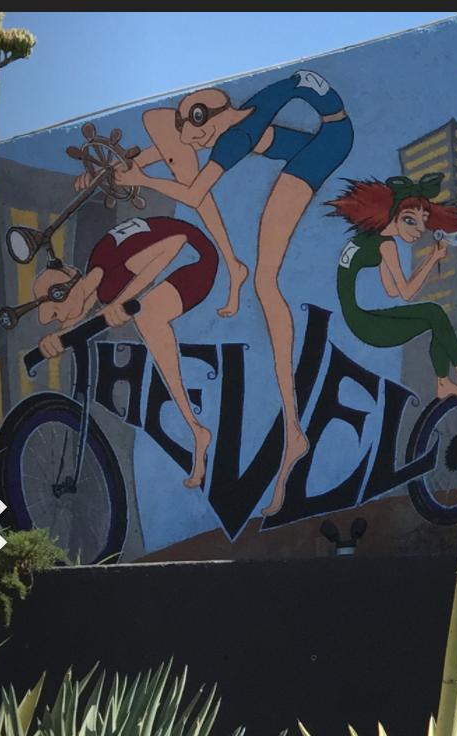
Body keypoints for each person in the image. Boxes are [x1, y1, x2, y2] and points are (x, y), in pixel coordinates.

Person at [114, 68, 354, 517]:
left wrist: (142, 181)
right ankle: (296, 431)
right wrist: (139, 163)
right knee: (260, 152)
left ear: (211, 121)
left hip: (328, 144)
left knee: (266, 281)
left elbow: (192, 192)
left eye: (198, 139)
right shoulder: (247, 115)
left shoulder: (234, 139)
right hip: (310, 133)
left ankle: (294, 431)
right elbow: (182, 148)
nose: (197, 148)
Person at [33, 215, 218, 488]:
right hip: (175, 264)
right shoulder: (98, 282)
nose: (58, 318)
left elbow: (176, 243)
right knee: (147, 316)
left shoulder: (111, 265)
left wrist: (120, 303)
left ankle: (196, 429)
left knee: (148, 316)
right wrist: (57, 338)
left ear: (68, 286)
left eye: (57, 307)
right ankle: (196, 429)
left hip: (194, 259)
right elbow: (81, 316)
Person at [324, 173, 457, 402]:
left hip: (360, 319)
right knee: (434, 313)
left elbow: (392, 290)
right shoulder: (386, 245)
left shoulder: (369, 238)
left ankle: (446, 382)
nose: (420, 229)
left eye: (424, 220)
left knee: (433, 317)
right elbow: (407, 293)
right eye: (410, 220)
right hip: (367, 324)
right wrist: (432, 258)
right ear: (393, 216)